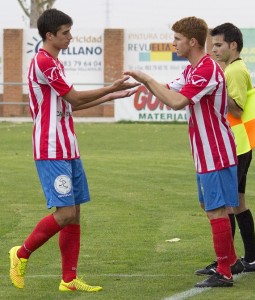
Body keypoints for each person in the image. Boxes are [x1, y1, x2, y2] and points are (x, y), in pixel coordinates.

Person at [9, 8, 139, 292]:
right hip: (51, 148)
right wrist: (110, 86)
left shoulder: (55, 62)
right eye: (65, 32)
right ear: (50, 35)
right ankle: (21, 253)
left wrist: (112, 95)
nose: (70, 37)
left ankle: (68, 280)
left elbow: (72, 104)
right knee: (65, 213)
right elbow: (75, 96)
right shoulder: (44, 62)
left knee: (75, 213)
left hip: (68, 146)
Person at [124, 16, 244, 288]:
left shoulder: (206, 70)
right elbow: (169, 90)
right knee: (208, 206)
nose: (173, 43)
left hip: (216, 151)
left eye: (177, 39)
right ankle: (232, 260)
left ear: (191, 41)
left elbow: (177, 102)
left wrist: (144, 77)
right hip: (204, 153)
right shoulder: (193, 70)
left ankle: (224, 271)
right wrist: (140, 84)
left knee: (216, 210)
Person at [195, 23, 255, 276]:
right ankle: (250, 259)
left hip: (234, 145)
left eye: (219, 45)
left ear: (233, 45)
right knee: (238, 203)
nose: (214, 50)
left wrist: (213, 90)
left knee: (224, 204)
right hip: (241, 144)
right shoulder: (234, 68)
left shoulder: (232, 71)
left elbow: (237, 108)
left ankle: (228, 260)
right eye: (212, 46)